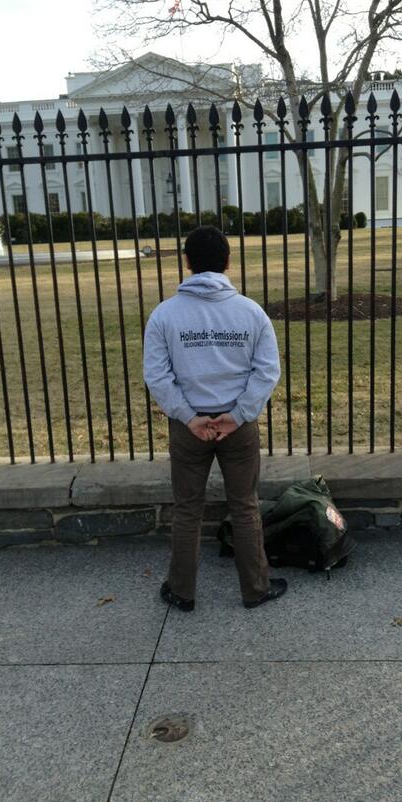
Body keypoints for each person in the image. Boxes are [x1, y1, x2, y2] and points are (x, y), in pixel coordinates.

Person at [143, 225, 287, 611]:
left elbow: (157, 376)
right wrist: (238, 415)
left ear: (187, 262)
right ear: (227, 261)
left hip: (188, 428)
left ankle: (181, 591)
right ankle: (255, 588)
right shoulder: (250, 312)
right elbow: (267, 371)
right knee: (244, 506)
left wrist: (189, 417)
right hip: (238, 428)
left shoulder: (164, 315)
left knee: (188, 508)